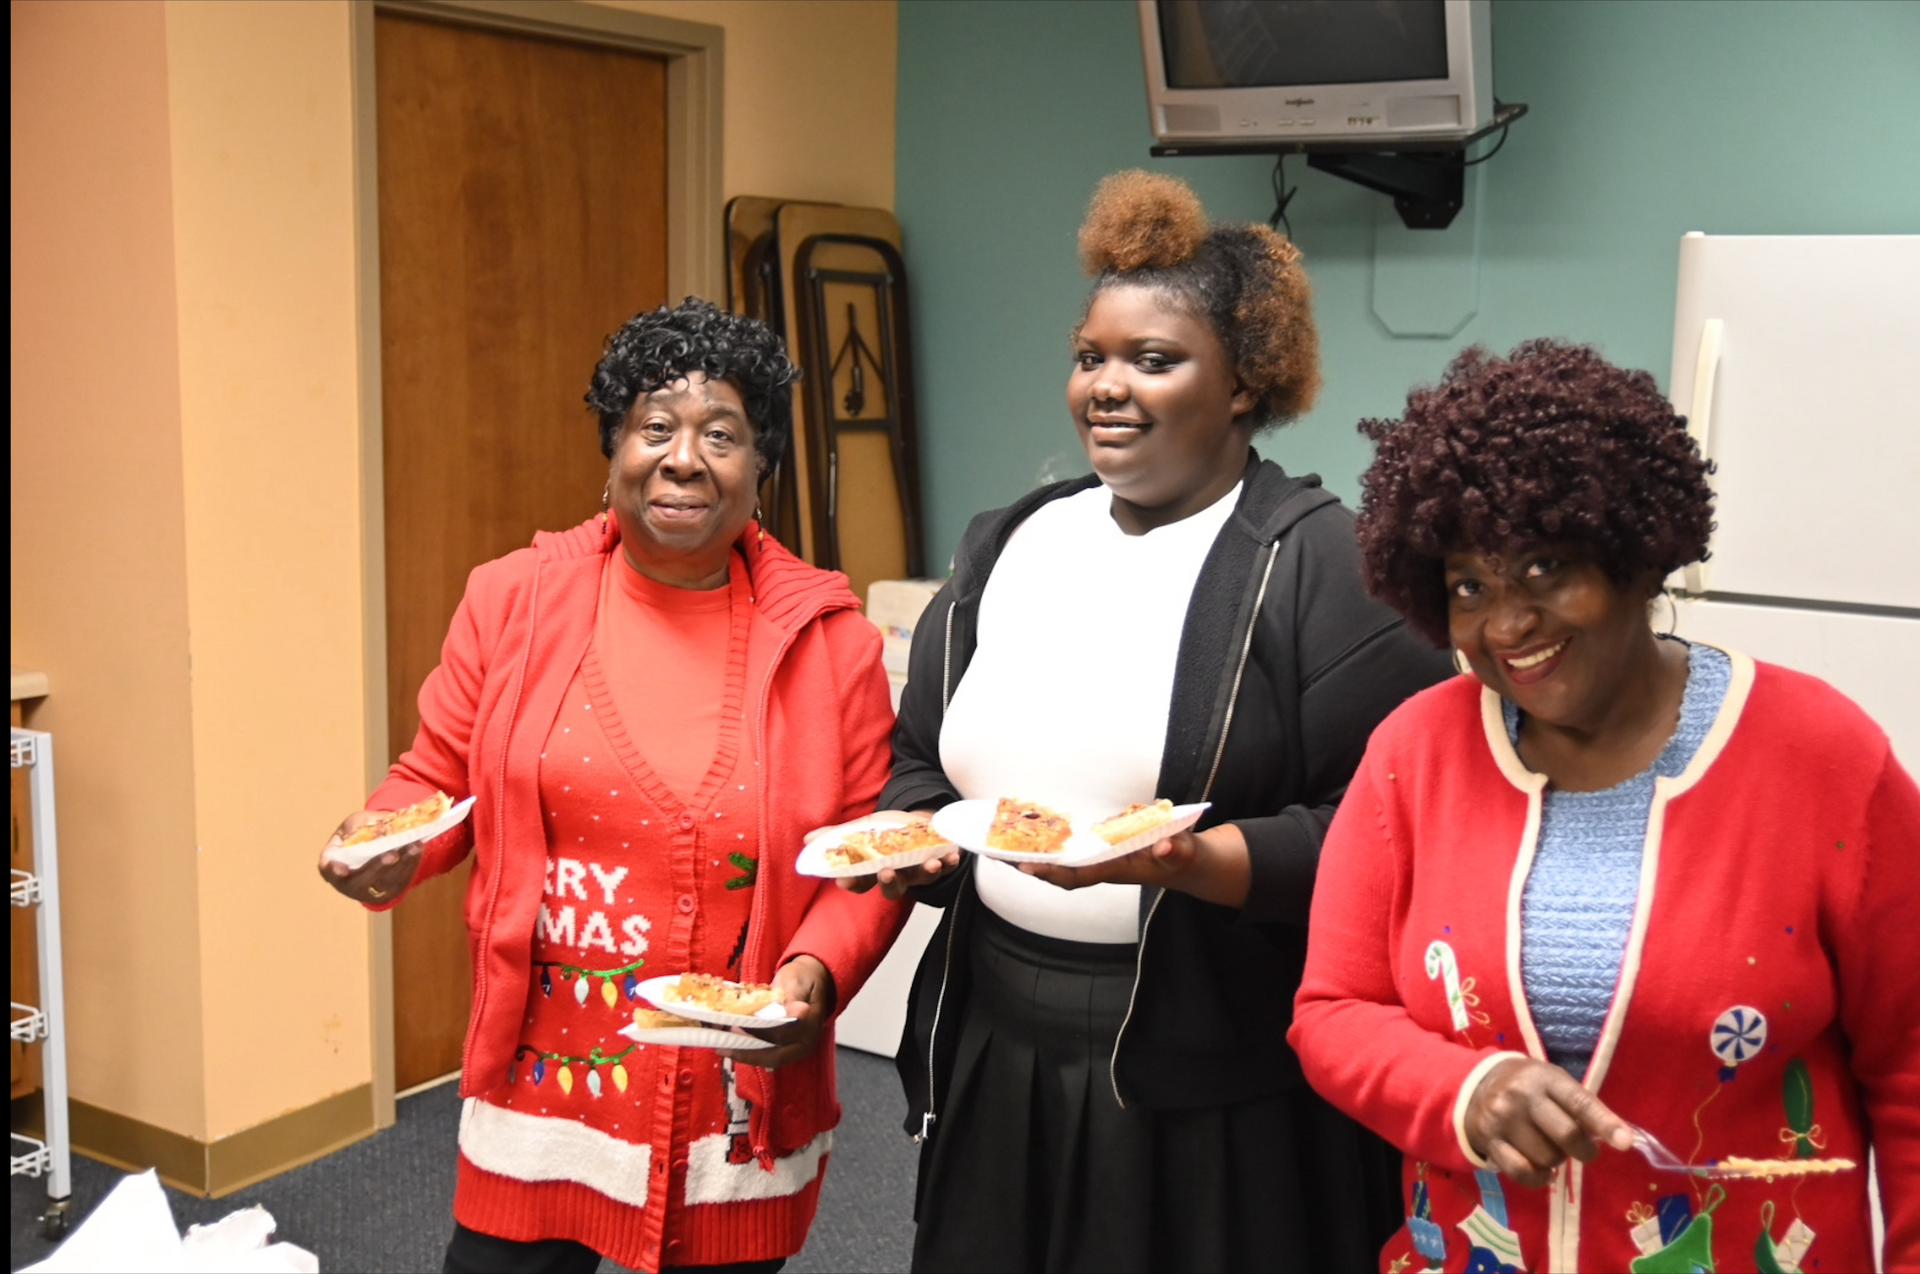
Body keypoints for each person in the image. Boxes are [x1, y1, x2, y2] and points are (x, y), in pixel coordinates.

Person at [840, 171, 1451, 1272]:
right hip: (995, 1037)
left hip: (1214, 1073)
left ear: (1246, 382)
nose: (1107, 387)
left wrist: (1189, 861)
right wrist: (919, 835)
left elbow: (1399, 833)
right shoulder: (1008, 541)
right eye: (1091, 357)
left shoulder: (1328, 568)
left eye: (1154, 360)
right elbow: (923, 753)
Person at [1289, 340, 1919, 1272]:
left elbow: (1911, 1066)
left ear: (1634, 553)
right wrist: (1466, 1089)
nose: (1507, 624)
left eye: (1545, 567)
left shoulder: (1822, 757)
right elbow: (1335, 1010)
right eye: (1470, 586)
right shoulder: (1412, 754)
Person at [318, 299, 907, 1274]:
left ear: (761, 465)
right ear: (613, 450)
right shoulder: (510, 600)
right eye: (655, 426)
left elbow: (867, 850)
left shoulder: (832, 643)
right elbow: (433, 778)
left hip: (733, 1088)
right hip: (543, 1082)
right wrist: (385, 842)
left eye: (723, 434)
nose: (684, 458)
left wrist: (815, 975)